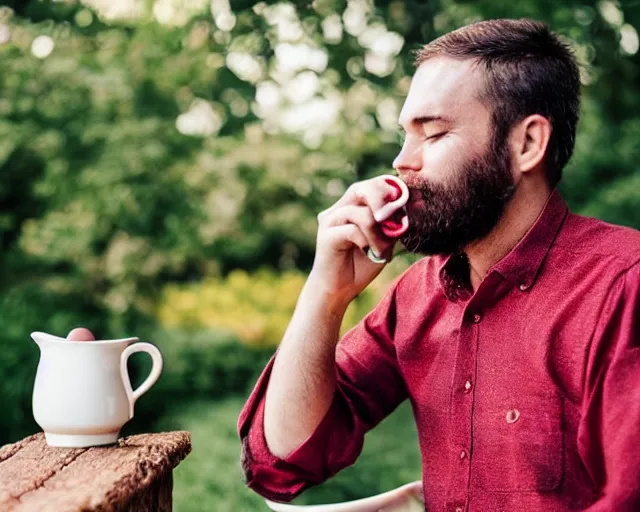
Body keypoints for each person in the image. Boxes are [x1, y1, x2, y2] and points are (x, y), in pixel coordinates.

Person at [237, 18, 640, 511]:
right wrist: (326, 291)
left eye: (433, 134)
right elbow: (285, 460)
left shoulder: (624, 285)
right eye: (405, 136)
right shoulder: (419, 293)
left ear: (527, 144)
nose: (403, 162)